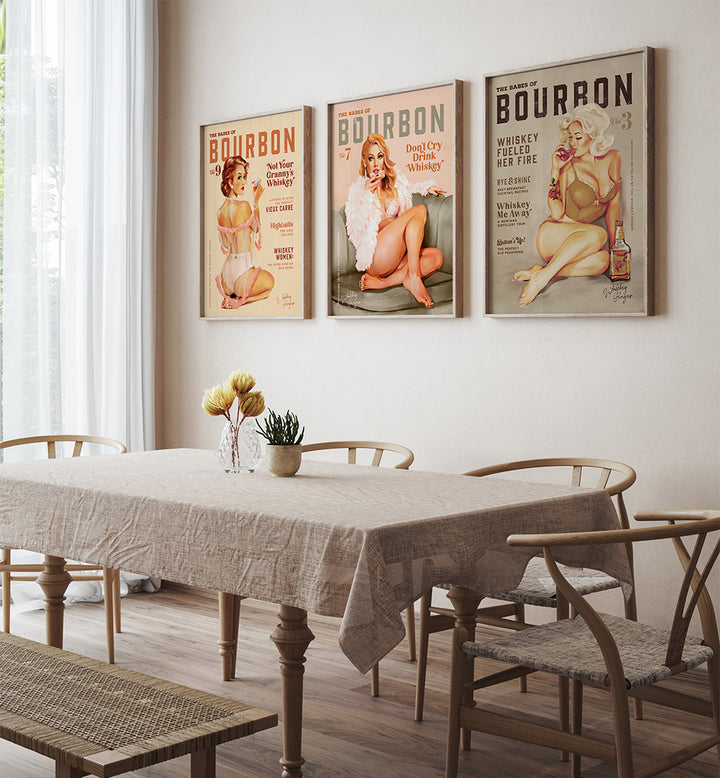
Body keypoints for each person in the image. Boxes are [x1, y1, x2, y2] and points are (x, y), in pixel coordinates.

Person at [514, 103, 622, 306]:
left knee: (603, 260)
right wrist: (555, 170)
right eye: (570, 137)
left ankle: (541, 272)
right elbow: (556, 213)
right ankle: (543, 279)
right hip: (554, 235)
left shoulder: (613, 158)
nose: (572, 143)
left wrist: (617, 246)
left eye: (578, 137)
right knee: (599, 235)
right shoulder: (568, 166)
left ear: (594, 136)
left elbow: (613, 208)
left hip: (580, 241)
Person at [344, 133, 445, 308]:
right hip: (376, 258)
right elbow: (356, 232)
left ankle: (385, 282)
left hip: (396, 258)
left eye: (380, 156)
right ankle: (413, 276)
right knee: (419, 210)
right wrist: (364, 195)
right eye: (371, 158)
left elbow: (408, 189)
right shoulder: (358, 194)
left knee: (436, 257)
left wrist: (425, 187)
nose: (376, 163)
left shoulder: (395, 185)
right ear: (364, 162)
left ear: (385, 159)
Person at [215, 156, 274, 309]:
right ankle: (241, 301)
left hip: (226, 277)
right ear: (229, 181)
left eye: (245, 177)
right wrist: (256, 201)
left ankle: (231, 297)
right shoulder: (245, 206)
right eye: (239, 177)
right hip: (243, 273)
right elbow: (255, 228)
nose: (244, 182)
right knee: (270, 283)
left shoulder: (220, 212)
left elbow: (226, 245)